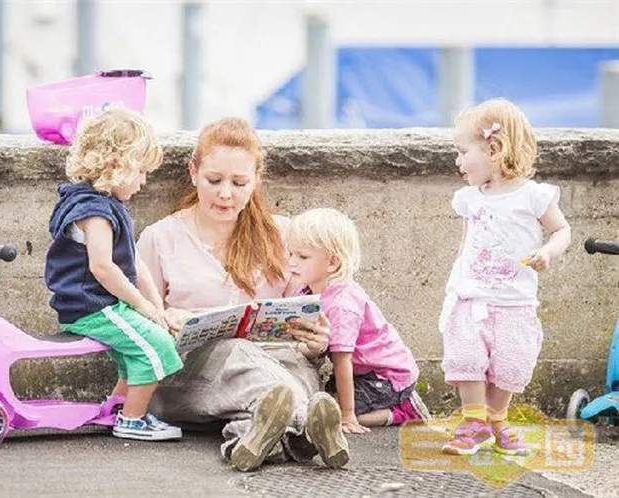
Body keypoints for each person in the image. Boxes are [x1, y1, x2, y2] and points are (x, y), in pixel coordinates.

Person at [137, 117, 349, 472]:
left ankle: (254, 437)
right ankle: (308, 427)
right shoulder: (160, 239)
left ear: (256, 180)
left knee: (284, 377)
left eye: (239, 183)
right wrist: (164, 319)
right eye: (214, 180)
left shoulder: (284, 235)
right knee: (236, 351)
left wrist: (317, 341)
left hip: (280, 362)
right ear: (193, 172)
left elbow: (304, 311)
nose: (225, 194)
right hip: (190, 375)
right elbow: (137, 320)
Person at [439, 98, 571, 456]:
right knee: (466, 357)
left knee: (511, 363)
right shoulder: (470, 198)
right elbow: (466, 245)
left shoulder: (533, 196)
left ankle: (496, 420)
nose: (458, 161)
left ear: (493, 149)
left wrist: (546, 252)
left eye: (463, 151)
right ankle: (473, 421)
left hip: (515, 300)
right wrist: (458, 283)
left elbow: (562, 231)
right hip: (473, 296)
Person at [44, 108, 184, 441]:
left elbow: (136, 263)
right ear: (114, 165)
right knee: (158, 346)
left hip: (101, 304)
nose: (143, 181)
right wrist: (143, 308)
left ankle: (117, 409)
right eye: (140, 171)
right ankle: (132, 419)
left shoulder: (108, 205)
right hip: (90, 308)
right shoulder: (94, 213)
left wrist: (157, 309)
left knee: (137, 349)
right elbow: (103, 267)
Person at [286, 208, 431, 433]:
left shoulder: (342, 304)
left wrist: (347, 416)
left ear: (332, 263)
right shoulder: (308, 291)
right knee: (320, 399)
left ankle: (405, 411)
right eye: (290, 254)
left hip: (387, 375)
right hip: (363, 373)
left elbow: (342, 359)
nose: (292, 262)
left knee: (327, 415)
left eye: (302, 256)